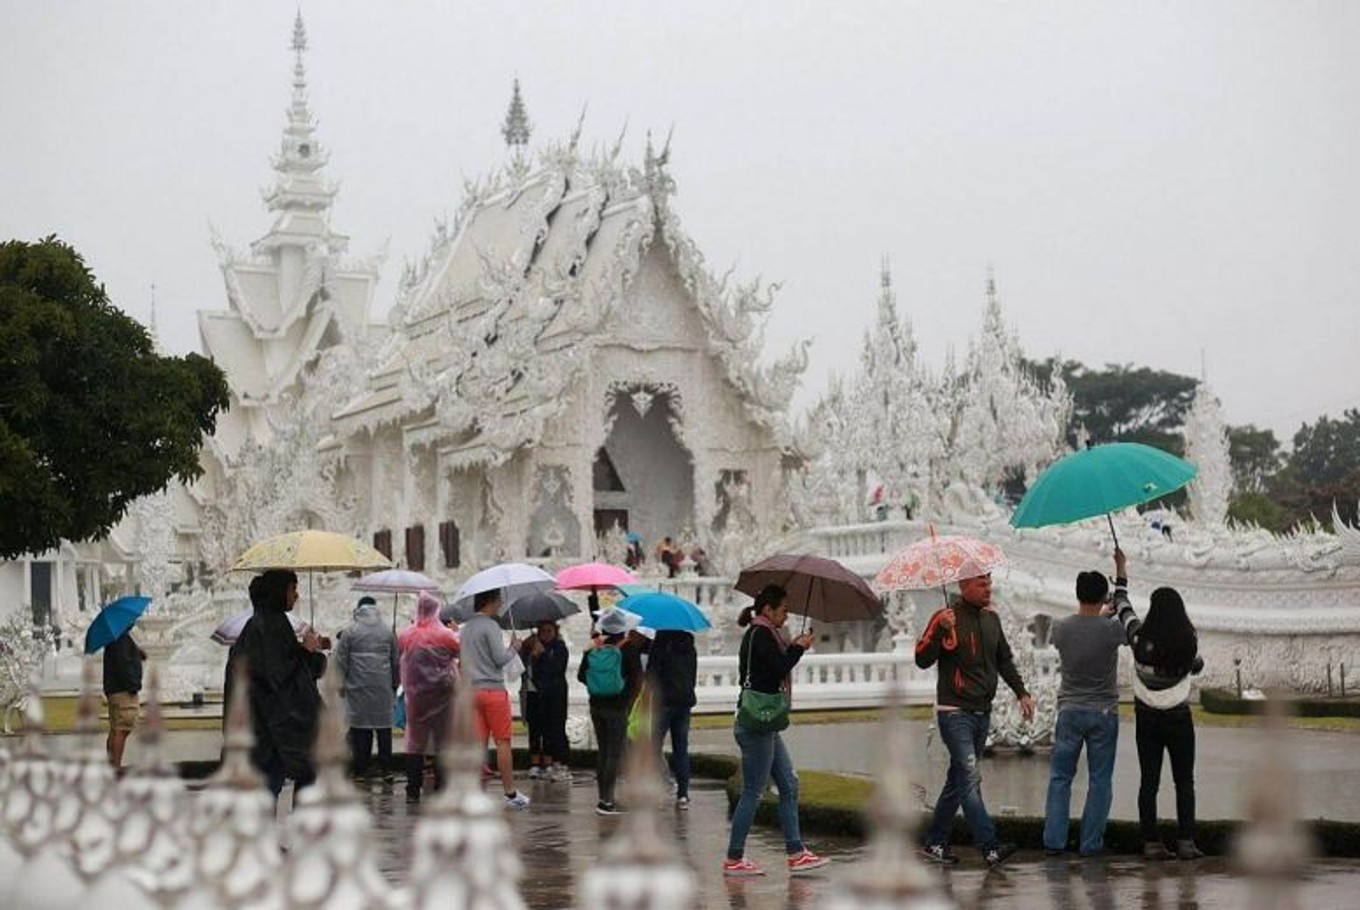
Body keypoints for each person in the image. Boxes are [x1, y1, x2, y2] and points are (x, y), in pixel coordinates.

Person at [915, 571, 1035, 868]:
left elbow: (1004, 659)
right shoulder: (945, 618)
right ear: (963, 586)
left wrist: (1022, 693)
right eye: (982, 584)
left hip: (983, 712)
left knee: (957, 782)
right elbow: (921, 658)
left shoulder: (991, 619)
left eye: (989, 583)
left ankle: (934, 842)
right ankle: (990, 847)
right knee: (969, 778)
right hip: (954, 713)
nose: (988, 589)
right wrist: (941, 631)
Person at [723, 585, 828, 876]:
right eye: (783, 609)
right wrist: (798, 648)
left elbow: (773, 665)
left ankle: (796, 852)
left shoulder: (763, 634)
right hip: (756, 725)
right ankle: (734, 858)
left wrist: (793, 646)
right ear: (768, 609)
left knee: (789, 785)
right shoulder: (760, 634)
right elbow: (776, 668)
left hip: (763, 723)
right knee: (753, 791)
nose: (786, 614)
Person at [1042, 548, 1136, 856]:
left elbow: (1078, 627)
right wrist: (1121, 571)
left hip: (1069, 710)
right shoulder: (1112, 630)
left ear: (1078, 593)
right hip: (1103, 712)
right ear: (1103, 597)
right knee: (1099, 780)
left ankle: (1054, 842)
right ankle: (1090, 843)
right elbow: (1125, 620)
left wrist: (1096, 614)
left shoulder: (1060, 627)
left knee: (1060, 779)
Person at [1125, 585, 1205, 860]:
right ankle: (1186, 842)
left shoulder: (1139, 639)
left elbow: (1124, 609)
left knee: (1149, 782)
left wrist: (1122, 576)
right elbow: (1195, 664)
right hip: (1179, 718)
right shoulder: (1188, 639)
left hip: (1146, 718)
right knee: (1184, 782)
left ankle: (1151, 842)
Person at [237, 568, 327, 798]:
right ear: (279, 592)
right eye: (292, 590)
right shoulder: (266, 626)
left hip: (273, 727)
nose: (296, 596)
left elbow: (289, 665)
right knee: (271, 784)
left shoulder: (273, 623)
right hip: (273, 727)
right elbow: (279, 676)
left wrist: (309, 652)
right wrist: (307, 652)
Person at [460, 588, 531, 809]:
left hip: (472, 691)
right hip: (493, 691)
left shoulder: (466, 628)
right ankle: (510, 793)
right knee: (502, 742)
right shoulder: (491, 626)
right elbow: (500, 659)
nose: (501, 603)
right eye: (499, 599)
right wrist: (514, 648)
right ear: (490, 600)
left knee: (478, 744)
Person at [577, 607, 645, 815]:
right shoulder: (629, 648)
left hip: (596, 705)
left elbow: (581, 676)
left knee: (604, 752)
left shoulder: (594, 647)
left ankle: (603, 798)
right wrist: (627, 698)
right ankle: (607, 802)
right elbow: (636, 680)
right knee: (614, 754)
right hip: (617, 707)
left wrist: (599, 683)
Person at [397, 590, 460, 802]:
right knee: (442, 742)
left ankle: (412, 790)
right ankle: (441, 789)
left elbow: (400, 654)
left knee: (415, 743)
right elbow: (460, 652)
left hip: (415, 697)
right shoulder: (445, 635)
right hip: (442, 695)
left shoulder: (406, 634)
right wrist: (457, 632)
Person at [335, 595, 400, 782]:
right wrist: (395, 684)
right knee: (384, 729)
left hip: (358, 688)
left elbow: (341, 661)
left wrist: (340, 684)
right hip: (382, 688)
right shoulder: (388, 632)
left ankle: (361, 770)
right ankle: (386, 769)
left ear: (358, 611)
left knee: (360, 730)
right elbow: (395, 662)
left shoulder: (350, 631)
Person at [647, 629, 697, 809]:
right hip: (685, 701)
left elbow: (651, 673)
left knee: (653, 747)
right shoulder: (689, 643)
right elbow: (692, 673)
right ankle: (683, 794)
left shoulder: (660, 642)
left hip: (664, 702)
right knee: (681, 749)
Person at [521, 620, 571, 781]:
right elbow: (522, 668)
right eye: (543, 631)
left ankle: (552, 762)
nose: (546, 635)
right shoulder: (532, 646)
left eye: (550, 631)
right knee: (535, 728)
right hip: (534, 693)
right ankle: (535, 762)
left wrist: (542, 655)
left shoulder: (559, 648)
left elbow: (557, 670)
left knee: (553, 728)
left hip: (554, 694)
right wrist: (526, 650)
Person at [103, 625, 146, 776]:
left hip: (114, 691)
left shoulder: (115, 639)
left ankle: (111, 767)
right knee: (122, 730)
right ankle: (115, 769)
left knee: (115, 730)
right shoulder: (122, 640)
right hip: (124, 692)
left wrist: (137, 653)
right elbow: (124, 666)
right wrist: (133, 686)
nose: (134, 622)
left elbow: (122, 659)